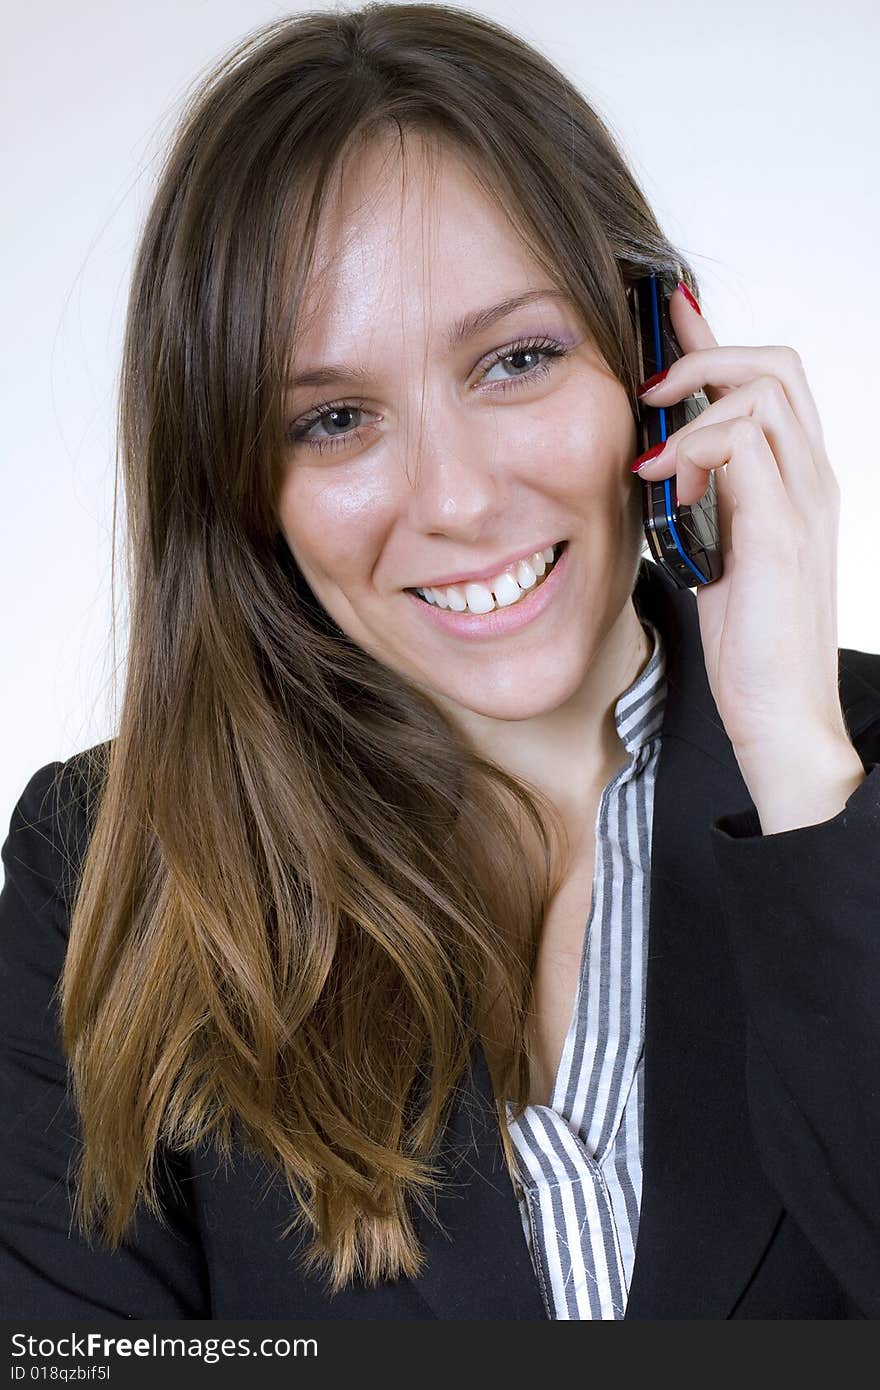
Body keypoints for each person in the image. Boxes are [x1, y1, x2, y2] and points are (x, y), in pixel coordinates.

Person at [1, 3, 878, 1322]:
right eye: (336, 418)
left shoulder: (849, 781)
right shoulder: (109, 861)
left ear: (659, 360)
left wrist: (801, 768)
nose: (457, 498)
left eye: (516, 359)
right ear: (243, 485)